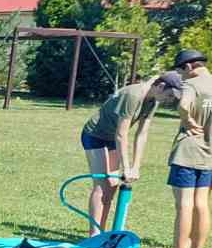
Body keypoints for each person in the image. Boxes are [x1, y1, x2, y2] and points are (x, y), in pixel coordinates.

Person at [79, 71, 184, 231]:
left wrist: (136, 166)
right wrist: (126, 167)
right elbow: (121, 134)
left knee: (112, 185)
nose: (170, 100)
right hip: (95, 135)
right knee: (101, 185)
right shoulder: (133, 95)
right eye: (170, 95)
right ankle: (94, 234)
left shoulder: (153, 101)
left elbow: (142, 134)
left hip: (111, 138)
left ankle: (102, 231)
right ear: (161, 86)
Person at [164, 48, 212, 248]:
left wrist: (189, 121)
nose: (181, 76)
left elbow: (184, 106)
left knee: (184, 204)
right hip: (209, 153)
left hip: (189, 151)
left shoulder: (192, 84)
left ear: (189, 66)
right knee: (202, 204)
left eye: (181, 71)